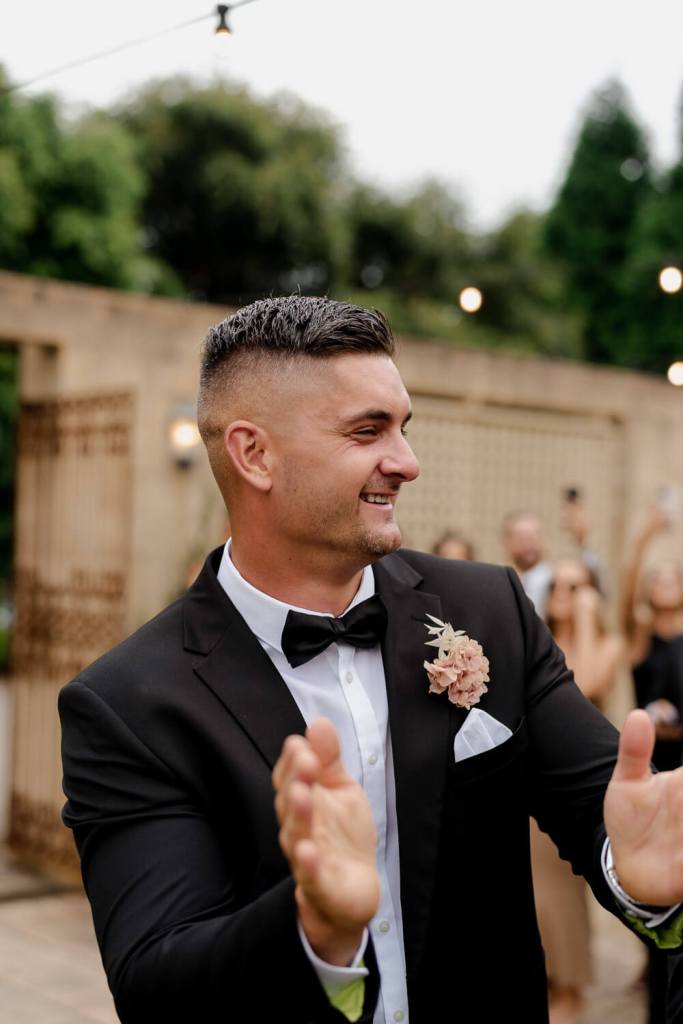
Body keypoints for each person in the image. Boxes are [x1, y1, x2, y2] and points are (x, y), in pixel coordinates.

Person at [59, 296, 683, 1024]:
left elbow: (602, 813)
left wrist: (637, 876)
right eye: (368, 431)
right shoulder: (128, 703)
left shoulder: (488, 612)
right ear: (253, 453)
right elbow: (156, 984)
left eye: (403, 429)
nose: (407, 463)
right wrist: (312, 931)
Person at [531, 557, 624, 1024]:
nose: (563, 593)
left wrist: (587, 615)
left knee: (563, 932)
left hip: (572, 803)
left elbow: (587, 684)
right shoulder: (533, 641)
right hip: (527, 811)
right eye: (557, 585)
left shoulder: (608, 643)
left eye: (576, 585)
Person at [621, 504, 683, 1022]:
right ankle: (655, 974)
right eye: (656, 578)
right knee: (654, 884)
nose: (664, 583)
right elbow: (624, 594)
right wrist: (645, 536)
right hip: (651, 764)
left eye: (672, 576)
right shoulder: (641, 637)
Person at [502, 497, 602, 618]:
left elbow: (596, 585)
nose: (528, 543)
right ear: (506, 542)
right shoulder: (500, 584)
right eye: (522, 537)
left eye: (534, 535)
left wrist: (582, 541)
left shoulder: (556, 579)